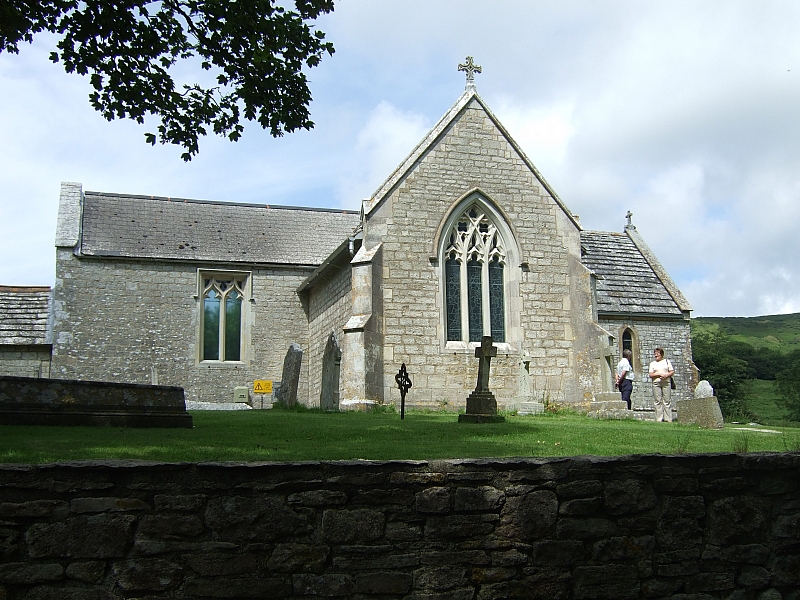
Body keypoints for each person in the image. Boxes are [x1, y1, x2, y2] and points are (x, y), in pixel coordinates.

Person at [648, 347, 675, 422]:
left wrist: (666, 375)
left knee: (667, 400)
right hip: (656, 383)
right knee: (657, 400)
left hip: (666, 382)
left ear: (661, 354)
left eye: (657, 353)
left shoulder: (667, 361)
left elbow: (672, 371)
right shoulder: (652, 364)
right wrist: (659, 374)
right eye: (655, 353)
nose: (656, 355)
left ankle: (668, 418)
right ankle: (659, 419)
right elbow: (651, 374)